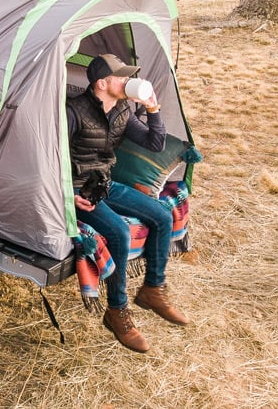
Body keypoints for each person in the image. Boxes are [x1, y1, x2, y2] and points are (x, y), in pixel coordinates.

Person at [67, 53, 189, 353]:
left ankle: (152, 290)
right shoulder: (73, 112)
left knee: (161, 215)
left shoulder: (122, 109)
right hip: (78, 190)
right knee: (120, 232)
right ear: (101, 83)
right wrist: (66, 194)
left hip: (106, 184)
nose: (129, 81)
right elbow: (47, 156)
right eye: (122, 77)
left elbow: (154, 144)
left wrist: (153, 107)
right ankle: (117, 310)